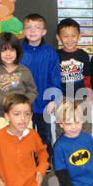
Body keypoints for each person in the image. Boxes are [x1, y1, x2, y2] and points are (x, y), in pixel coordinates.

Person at [20, 13, 62, 165]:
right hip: (22, 104)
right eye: (29, 27)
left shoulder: (50, 53)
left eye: (37, 27)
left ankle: (45, 161)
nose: (32, 31)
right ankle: (25, 162)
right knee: (23, 134)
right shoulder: (18, 51)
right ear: (23, 31)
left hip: (44, 104)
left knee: (44, 135)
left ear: (44, 32)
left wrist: (54, 99)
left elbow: (55, 77)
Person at [0, 32, 38, 132]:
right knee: (3, 146)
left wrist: (22, 103)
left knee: (25, 145)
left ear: (18, 51)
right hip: (0, 117)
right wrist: (3, 100)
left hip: (23, 118)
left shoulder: (25, 71)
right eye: (3, 50)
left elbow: (33, 91)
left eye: (12, 50)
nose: (8, 54)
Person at [55, 18, 92, 138]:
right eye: (65, 36)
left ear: (79, 36)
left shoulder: (83, 55)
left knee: (85, 126)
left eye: (73, 36)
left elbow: (87, 77)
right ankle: (63, 153)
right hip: (63, 98)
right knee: (62, 127)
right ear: (58, 37)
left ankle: (87, 151)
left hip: (81, 97)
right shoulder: (56, 55)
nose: (70, 40)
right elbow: (54, 77)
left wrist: (89, 95)